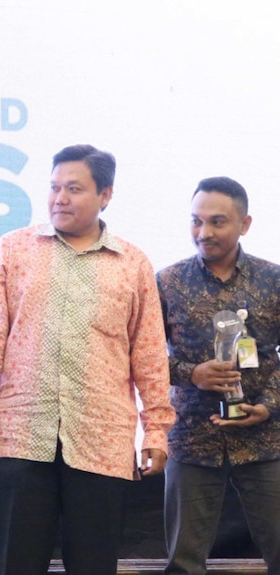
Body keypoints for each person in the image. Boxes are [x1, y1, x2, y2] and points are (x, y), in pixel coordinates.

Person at [0, 144, 175, 575]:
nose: (60, 198)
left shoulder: (132, 263)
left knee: (94, 564)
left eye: (74, 189)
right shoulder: (13, 250)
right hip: (20, 434)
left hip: (101, 438)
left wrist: (156, 430)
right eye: (55, 187)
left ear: (105, 195)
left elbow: (150, 354)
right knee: (13, 564)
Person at [156, 176, 280, 575]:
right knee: (183, 562)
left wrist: (270, 405)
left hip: (265, 441)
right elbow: (141, 359)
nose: (203, 233)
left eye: (217, 222)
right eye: (195, 221)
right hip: (192, 440)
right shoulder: (167, 283)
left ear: (245, 224)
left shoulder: (273, 281)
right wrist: (192, 374)